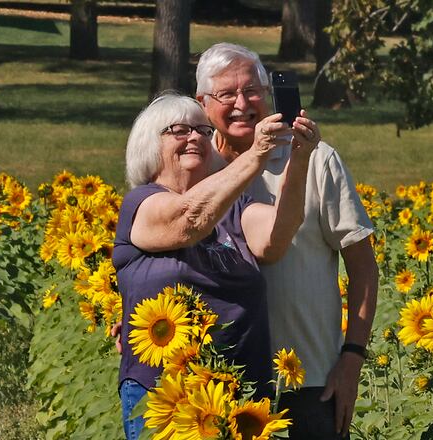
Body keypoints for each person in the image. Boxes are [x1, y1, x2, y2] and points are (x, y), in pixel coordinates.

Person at [196, 43, 379, 439]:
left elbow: (363, 267)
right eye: (226, 94)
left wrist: (352, 360)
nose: (242, 103)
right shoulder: (195, 169)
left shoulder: (315, 159)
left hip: (308, 379)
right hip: (215, 384)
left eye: (253, 90)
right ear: (203, 103)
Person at [112, 92, 319, 440]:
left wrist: (299, 158)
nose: (194, 137)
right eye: (178, 130)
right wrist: (256, 153)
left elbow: (278, 235)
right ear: (149, 144)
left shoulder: (234, 208)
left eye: (202, 131)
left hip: (242, 396)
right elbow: (188, 220)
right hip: (167, 395)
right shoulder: (141, 204)